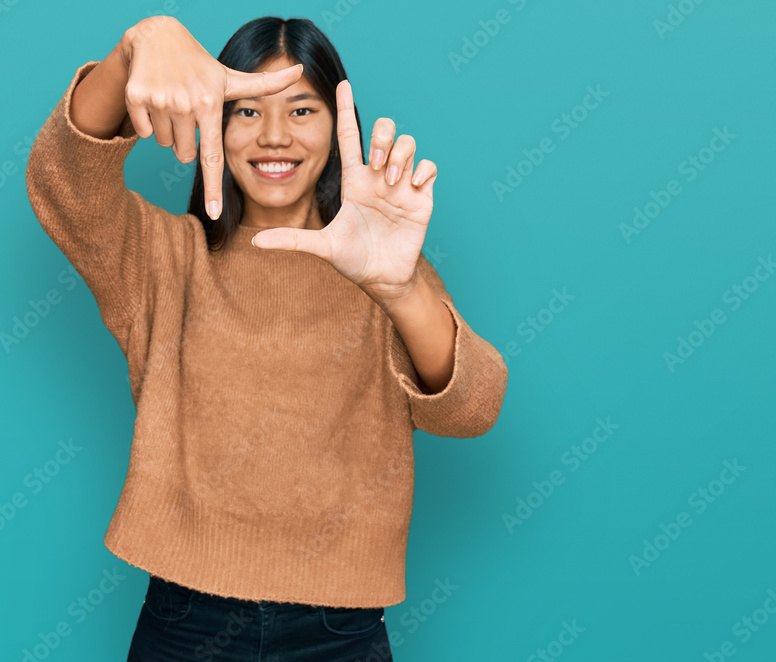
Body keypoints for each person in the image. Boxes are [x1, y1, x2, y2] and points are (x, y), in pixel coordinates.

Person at [25, 14, 509, 661]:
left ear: (339, 130)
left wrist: (401, 291)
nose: (274, 136)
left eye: (302, 109)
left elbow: (473, 409)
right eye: (245, 110)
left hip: (341, 632)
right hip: (185, 622)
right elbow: (62, 181)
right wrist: (131, 50)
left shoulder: (382, 266)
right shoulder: (164, 258)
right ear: (212, 122)